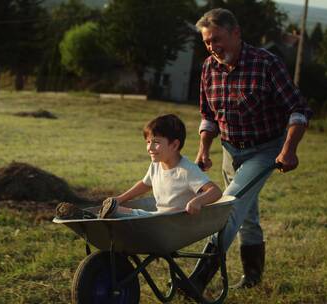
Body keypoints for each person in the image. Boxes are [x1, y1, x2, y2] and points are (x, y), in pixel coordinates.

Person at [186, 8, 313, 294]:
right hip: (231, 150)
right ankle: (253, 276)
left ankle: (198, 279)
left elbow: (299, 109)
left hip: (266, 150)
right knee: (246, 212)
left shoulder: (266, 64)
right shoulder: (209, 68)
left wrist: (289, 150)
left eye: (217, 39)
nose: (213, 47)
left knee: (229, 206)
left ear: (236, 34)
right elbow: (208, 114)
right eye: (207, 42)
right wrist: (204, 150)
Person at [99, 114, 223, 218]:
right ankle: (110, 212)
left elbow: (216, 191)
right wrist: (120, 198)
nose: (150, 148)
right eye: (148, 142)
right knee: (126, 212)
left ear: (174, 145)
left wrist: (198, 201)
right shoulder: (156, 165)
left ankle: (113, 213)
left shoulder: (187, 170)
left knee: (128, 215)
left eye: (156, 142)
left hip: (172, 222)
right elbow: (145, 184)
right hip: (157, 218)